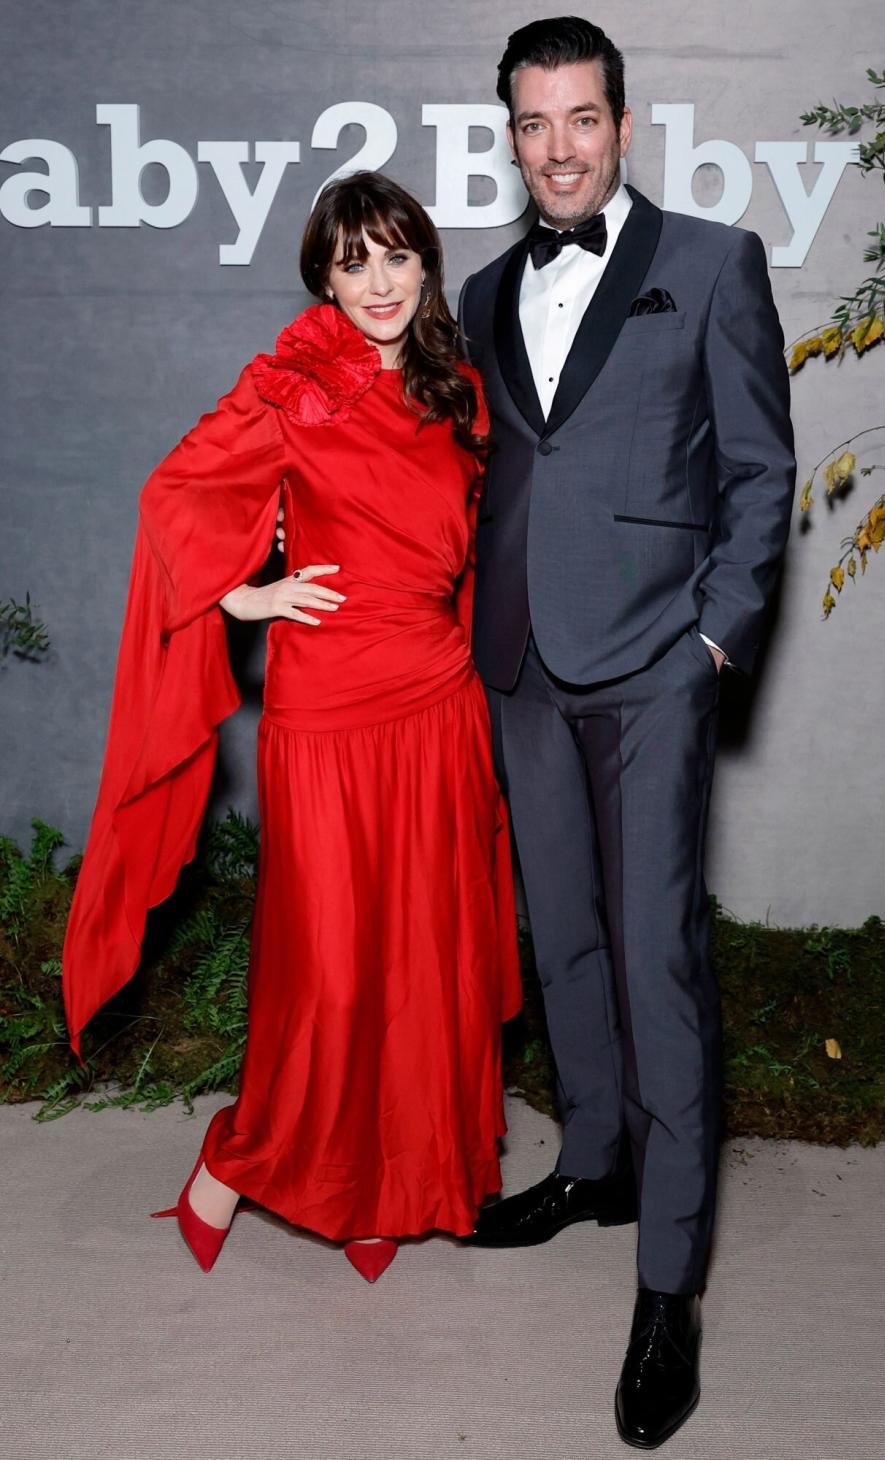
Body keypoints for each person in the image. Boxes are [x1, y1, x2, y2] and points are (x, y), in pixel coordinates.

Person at [61, 171, 521, 1284]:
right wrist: (244, 595)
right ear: (323, 272)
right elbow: (173, 498)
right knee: (330, 970)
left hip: (437, 702)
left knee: (419, 958)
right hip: (322, 709)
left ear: (427, 265)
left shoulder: (460, 388)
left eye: (397, 255)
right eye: (353, 259)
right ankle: (238, 1159)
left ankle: (389, 1186)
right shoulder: (292, 383)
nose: (378, 281)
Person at [456, 17, 796, 1451]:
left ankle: (669, 1286)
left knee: (656, 956)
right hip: (521, 662)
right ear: (511, 135)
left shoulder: (711, 264)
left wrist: (710, 642)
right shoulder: (478, 291)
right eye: (532, 125)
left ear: (623, 122)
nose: (557, 149)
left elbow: (761, 469)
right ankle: (593, 1157)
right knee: (566, 940)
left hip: (656, 664)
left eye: (579, 119)